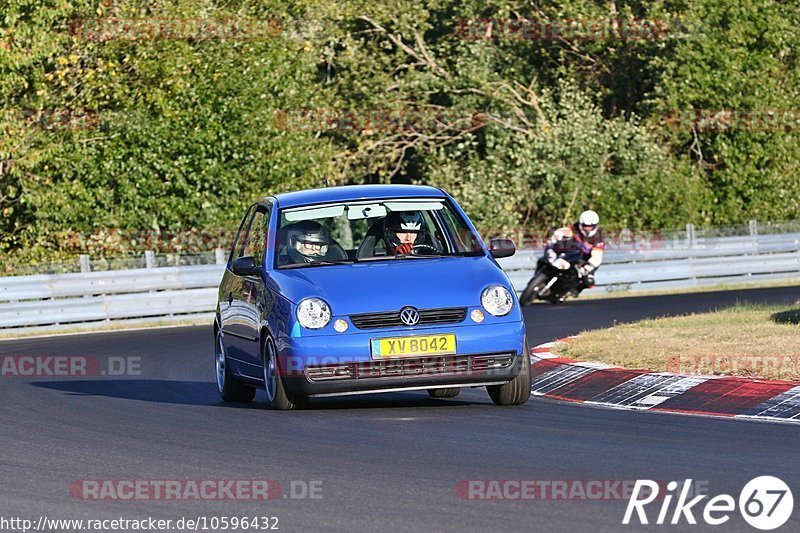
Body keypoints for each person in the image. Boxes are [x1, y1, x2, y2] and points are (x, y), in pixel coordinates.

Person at [547, 210, 605, 289]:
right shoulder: (575, 228)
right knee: (546, 258)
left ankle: (574, 290)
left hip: (586, 260)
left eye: (590, 226)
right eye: (585, 226)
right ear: (581, 224)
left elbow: (597, 256)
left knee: (589, 282)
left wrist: (589, 266)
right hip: (572, 253)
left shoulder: (599, 237)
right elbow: (561, 232)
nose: (587, 228)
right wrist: (553, 241)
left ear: (595, 225)